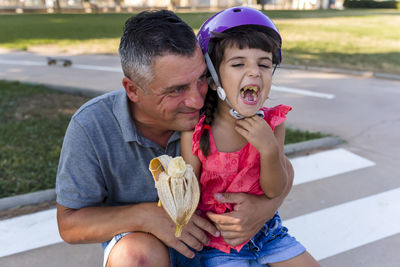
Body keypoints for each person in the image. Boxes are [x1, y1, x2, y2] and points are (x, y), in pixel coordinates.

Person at [56, 9, 294, 267]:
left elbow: (284, 167)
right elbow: (69, 224)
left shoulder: (220, 104)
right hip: (148, 244)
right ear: (133, 90)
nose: (197, 100)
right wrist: (147, 216)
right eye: (177, 90)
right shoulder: (92, 126)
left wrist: (264, 210)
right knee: (134, 256)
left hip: (220, 245)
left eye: (201, 79)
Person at [181, 7, 320, 267]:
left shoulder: (273, 124)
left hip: (270, 236)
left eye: (264, 64)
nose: (255, 72)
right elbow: (187, 199)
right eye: (238, 64)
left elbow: (274, 190)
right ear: (213, 80)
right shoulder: (197, 131)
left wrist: (268, 149)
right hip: (218, 246)